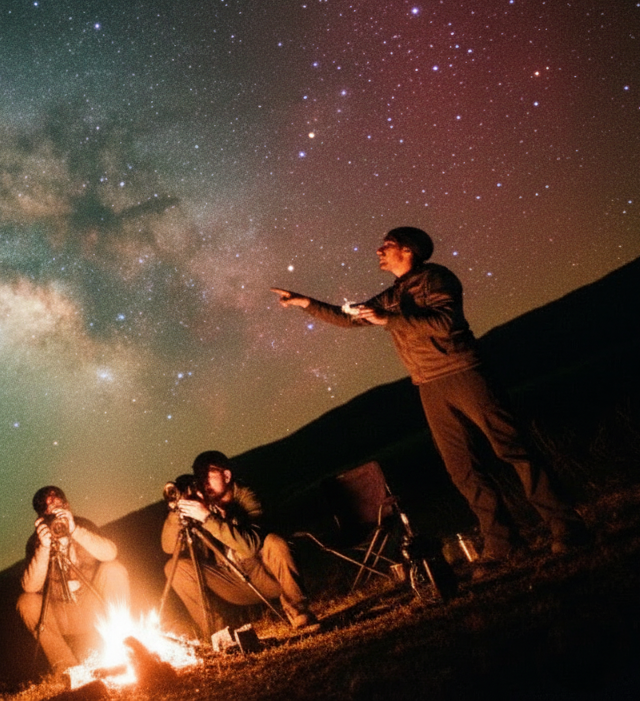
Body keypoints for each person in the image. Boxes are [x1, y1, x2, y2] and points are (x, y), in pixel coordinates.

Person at [271, 226, 588, 564]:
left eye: (388, 245)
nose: (379, 250)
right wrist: (305, 303)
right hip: (428, 385)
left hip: (463, 372)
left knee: (513, 449)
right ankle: (502, 542)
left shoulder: (436, 278)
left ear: (408, 250)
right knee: (461, 468)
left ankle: (566, 526)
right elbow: (348, 319)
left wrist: (389, 319)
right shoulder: (392, 294)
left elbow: (445, 322)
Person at [162, 451, 317, 639]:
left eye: (208, 475)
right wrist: (177, 511)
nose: (204, 482)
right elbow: (168, 548)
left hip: (267, 576)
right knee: (175, 568)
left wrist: (207, 518)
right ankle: (219, 636)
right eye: (199, 477)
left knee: (274, 542)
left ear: (226, 476)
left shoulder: (247, 497)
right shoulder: (203, 503)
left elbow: (250, 546)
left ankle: (300, 614)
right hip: (231, 580)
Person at [16, 485, 130, 676]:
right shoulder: (36, 541)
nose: (54, 509)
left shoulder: (83, 525)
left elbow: (111, 553)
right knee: (26, 602)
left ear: (67, 505)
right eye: (47, 508)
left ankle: (125, 645)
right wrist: (44, 547)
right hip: (63, 615)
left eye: (57, 504)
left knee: (114, 569)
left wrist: (75, 530)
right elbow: (30, 586)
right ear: (41, 517)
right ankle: (68, 670)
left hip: (95, 606)